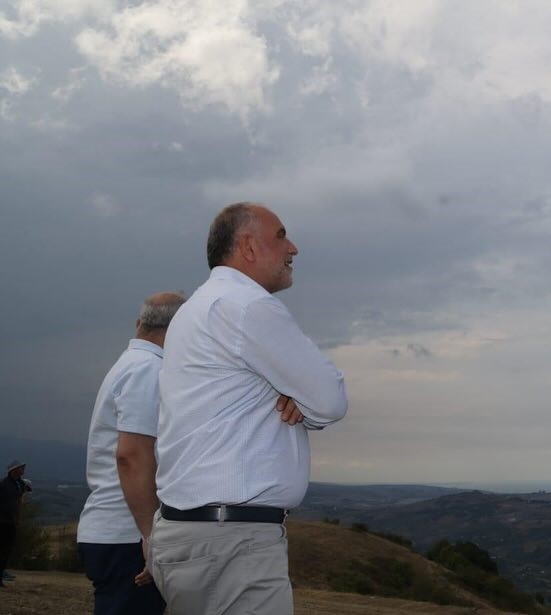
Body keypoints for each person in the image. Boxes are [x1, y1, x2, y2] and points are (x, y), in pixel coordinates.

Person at [150, 202, 348, 615]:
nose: (293, 248)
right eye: (281, 236)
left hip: (191, 534)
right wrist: (302, 398)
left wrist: (298, 397)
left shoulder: (197, 308)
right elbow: (329, 400)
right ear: (248, 247)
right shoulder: (247, 306)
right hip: (231, 545)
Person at [76, 292, 185, 614]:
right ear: (180, 330)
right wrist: (151, 536)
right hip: (128, 534)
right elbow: (132, 455)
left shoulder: (131, 364)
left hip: (118, 530)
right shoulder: (149, 369)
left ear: (140, 323)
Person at [0, 460, 32, 588]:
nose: (23, 470)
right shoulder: (4, 484)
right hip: (2, 521)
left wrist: (18, 518)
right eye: (21, 468)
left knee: (6, 550)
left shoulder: (19, 484)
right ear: (13, 470)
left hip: (11, 522)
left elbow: (19, 499)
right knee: (2, 549)